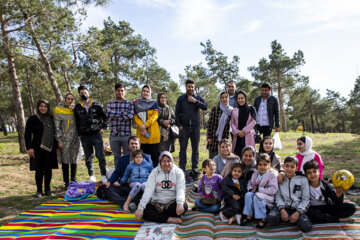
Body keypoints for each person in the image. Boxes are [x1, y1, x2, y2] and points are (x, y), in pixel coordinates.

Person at [135, 151, 187, 224]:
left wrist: (179, 204)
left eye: (168, 161)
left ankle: (158, 217)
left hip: (171, 204)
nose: (166, 164)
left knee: (184, 205)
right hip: (157, 204)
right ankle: (169, 219)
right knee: (144, 210)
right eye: (164, 161)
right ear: (160, 162)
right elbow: (148, 190)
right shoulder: (154, 172)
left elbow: (180, 189)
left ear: (172, 161)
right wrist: (141, 208)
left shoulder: (178, 172)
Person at [266, 156, 312, 233]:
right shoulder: (279, 178)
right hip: (283, 207)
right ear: (283, 166)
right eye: (287, 166)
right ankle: (286, 217)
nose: (289, 169)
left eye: (292, 167)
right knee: (271, 219)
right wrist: (282, 210)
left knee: (306, 227)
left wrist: (298, 213)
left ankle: (292, 218)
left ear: (297, 168)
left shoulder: (303, 180)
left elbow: (306, 199)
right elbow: (278, 196)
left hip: (296, 208)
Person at [105, 136, 152, 209]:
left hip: (141, 186)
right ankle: (126, 203)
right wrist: (110, 181)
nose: (134, 145)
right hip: (126, 185)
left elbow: (152, 174)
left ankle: (133, 201)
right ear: (128, 145)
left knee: (143, 189)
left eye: (136, 144)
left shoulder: (147, 158)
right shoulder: (123, 159)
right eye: (132, 144)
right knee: (108, 188)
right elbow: (117, 172)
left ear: (139, 145)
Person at [74, 85, 108, 183]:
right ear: (79, 95)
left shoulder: (97, 105)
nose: (84, 95)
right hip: (84, 136)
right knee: (88, 157)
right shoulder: (77, 108)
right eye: (81, 93)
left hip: (96, 134)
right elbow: (76, 122)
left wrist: (103, 128)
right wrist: (79, 133)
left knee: (100, 155)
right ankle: (91, 175)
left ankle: (103, 175)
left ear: (88, 93)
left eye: (85, 92)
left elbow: (105, 118)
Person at [176, 79, 208, 180]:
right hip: (184, 128)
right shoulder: (181, 99)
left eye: (192, 87)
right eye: (189, 87)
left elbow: (205, 107)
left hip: (195, 128)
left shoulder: (198, 98)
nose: (191, 88)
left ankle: (194, 169)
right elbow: (177, 113)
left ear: (194, 87)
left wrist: (195, 101)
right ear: (186, 87)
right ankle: (182, 169)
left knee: (195, 149)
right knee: (182, 149)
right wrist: (179, 125)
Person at [25, 100, 58, 197]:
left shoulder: (51, 118)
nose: (43, 108)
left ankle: (48, 189)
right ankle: (39, 190)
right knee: (39, 170)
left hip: (49, 148)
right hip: (36, 148)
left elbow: (55, 134)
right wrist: (29, 148)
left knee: (48, 169)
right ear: (38, 107)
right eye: (41, 106)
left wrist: (56, 148)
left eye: (45, 106)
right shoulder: (32, 119)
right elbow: (27, 134)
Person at [241, 153, 278, 228]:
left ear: (269, 165)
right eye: (260, 164)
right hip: (256, 194)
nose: (262, 167)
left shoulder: (272, 175)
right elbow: (250, 183)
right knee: (248, 195)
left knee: (257, 196)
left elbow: (273, 190)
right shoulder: (256, 173)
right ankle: (249, 216)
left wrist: (259, 189)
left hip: (267, 197)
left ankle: (262, 218)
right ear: (257, 165)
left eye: (264, 165)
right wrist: (251, 189)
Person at [54, 93, 82, 188]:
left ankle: (73, 179)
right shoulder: (59, 110)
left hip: (75, 138)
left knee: (74, 159)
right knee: (65, 160)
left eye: (72, 99)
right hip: (64, 139)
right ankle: (66, 182)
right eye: (68, 99)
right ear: (65, 99)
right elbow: (57, 127)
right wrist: (59, 140)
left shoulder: (75, 110)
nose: (70, 100)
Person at [106, 83, 134, 168]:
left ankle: (126, 176)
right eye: (118, 90)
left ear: (125, 92)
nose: (120, 92)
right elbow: (108, 114)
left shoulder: (129, 104)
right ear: (115, 91)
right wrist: (122, 114)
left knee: (127, 156)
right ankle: (117, 176)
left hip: (126, 135)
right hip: (114, 135)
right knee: (116, 157)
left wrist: (115, 116)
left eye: (122, 90)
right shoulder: (110, 104)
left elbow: (130, 116)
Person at [133, 85, 160, 167]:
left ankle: (155, 174)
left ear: (150, 93)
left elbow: (155, 116)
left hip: (153, 134)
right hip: (141, 134)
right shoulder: (137, 103)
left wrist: (146, 125)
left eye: (147, 91)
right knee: (143, 156)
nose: (146, 93)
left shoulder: (154, 103)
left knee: (154, 156)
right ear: (141, 92)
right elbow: (135, 116)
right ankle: (145, 174)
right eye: (144, 91)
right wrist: (141, 126)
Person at [206, 91, 232, 159]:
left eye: (226, 97)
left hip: (225, 137)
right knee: (212, 158)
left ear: (228, 98)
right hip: (214, 137)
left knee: (223, 158)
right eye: (222, 97)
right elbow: (210, 123)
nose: (224, 99)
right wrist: (209, 136)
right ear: (220, 99)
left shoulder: (231, 111)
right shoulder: (215, 109)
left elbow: (230, 126)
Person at [231, 91, 256, 158]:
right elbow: (232, 123)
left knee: (248, 154)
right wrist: (237, 132)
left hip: (248, 135)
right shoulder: (234, 110)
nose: (240, 100)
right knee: (237, 155)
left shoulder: (251, 109)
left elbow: (254, 121)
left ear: (245, 98)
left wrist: (244, 131)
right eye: (238, 99)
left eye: (242, 98)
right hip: (238, 137)